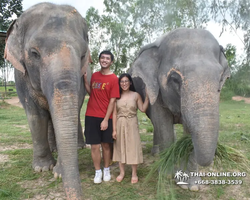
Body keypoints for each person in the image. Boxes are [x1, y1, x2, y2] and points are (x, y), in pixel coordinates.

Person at [84, 50, 120, 184]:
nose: (104, 60)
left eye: (107, 58)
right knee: (94, 146)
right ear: (99, 60)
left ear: (111, 62)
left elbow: (112, 101)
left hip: (106, 117)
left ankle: (106, 169)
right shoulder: (94, 76)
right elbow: (92, 93)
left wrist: (105, 119)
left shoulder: (114, 79)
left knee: (106, 145)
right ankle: (97, 171)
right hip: (91, 115)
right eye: (102, 58)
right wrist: (85, 82)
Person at [112, 73, 149, 184]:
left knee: (133, 146)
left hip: (132, 122)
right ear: (119, 83)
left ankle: (134, 173)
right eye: (122, 81)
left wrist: (147, 97)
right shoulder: (117, 95)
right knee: (120, 146)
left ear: (130, 82)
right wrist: (114, 129)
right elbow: (114, 114)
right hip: (120, 122)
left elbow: (142, 109)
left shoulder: (136, 95)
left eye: (126, 81)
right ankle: (122, 172)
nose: (124, 83)